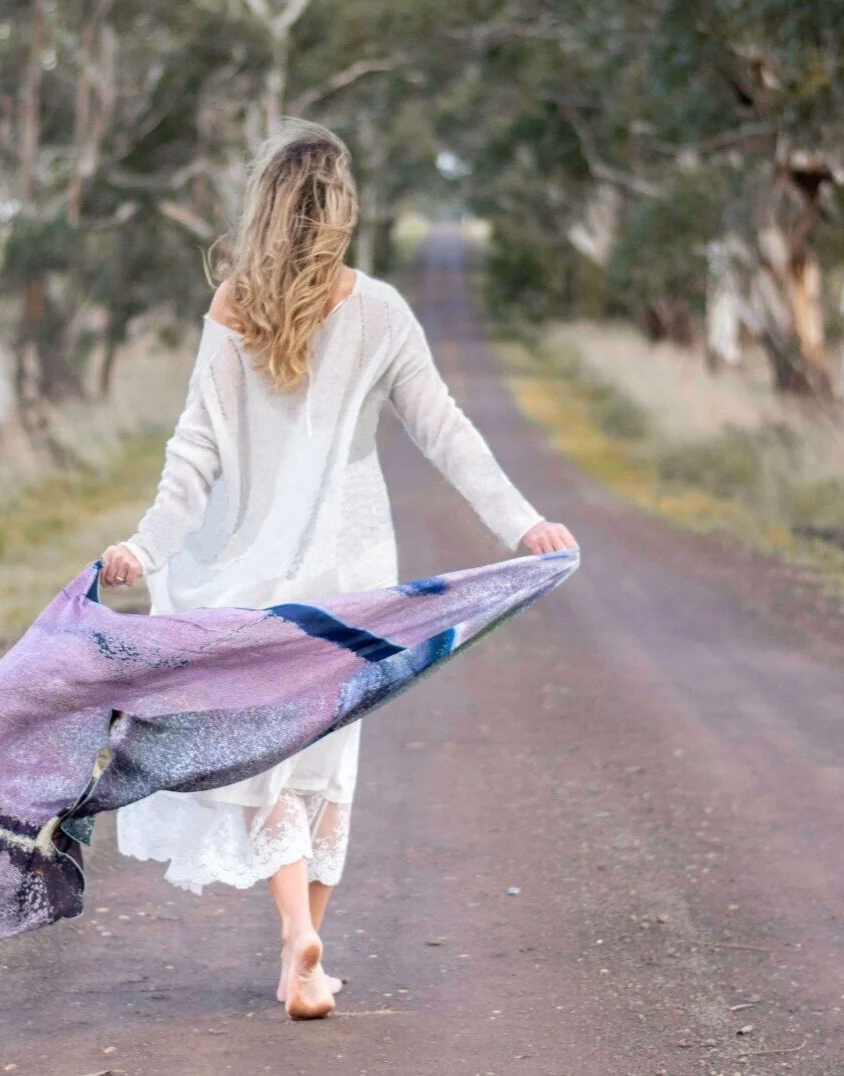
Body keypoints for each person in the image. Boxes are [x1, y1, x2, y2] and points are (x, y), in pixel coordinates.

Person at [100, 119, 577, 1019]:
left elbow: (191, 454)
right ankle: (304, 961)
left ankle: (293, 938)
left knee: (269, 749)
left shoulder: (234, 305)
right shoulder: (381, 310)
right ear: (341, 213)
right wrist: (524, 523)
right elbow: (446, 431)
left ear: (266, 210)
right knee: (330, 754)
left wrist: (146, 546)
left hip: (257, 572)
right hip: (353, 570)